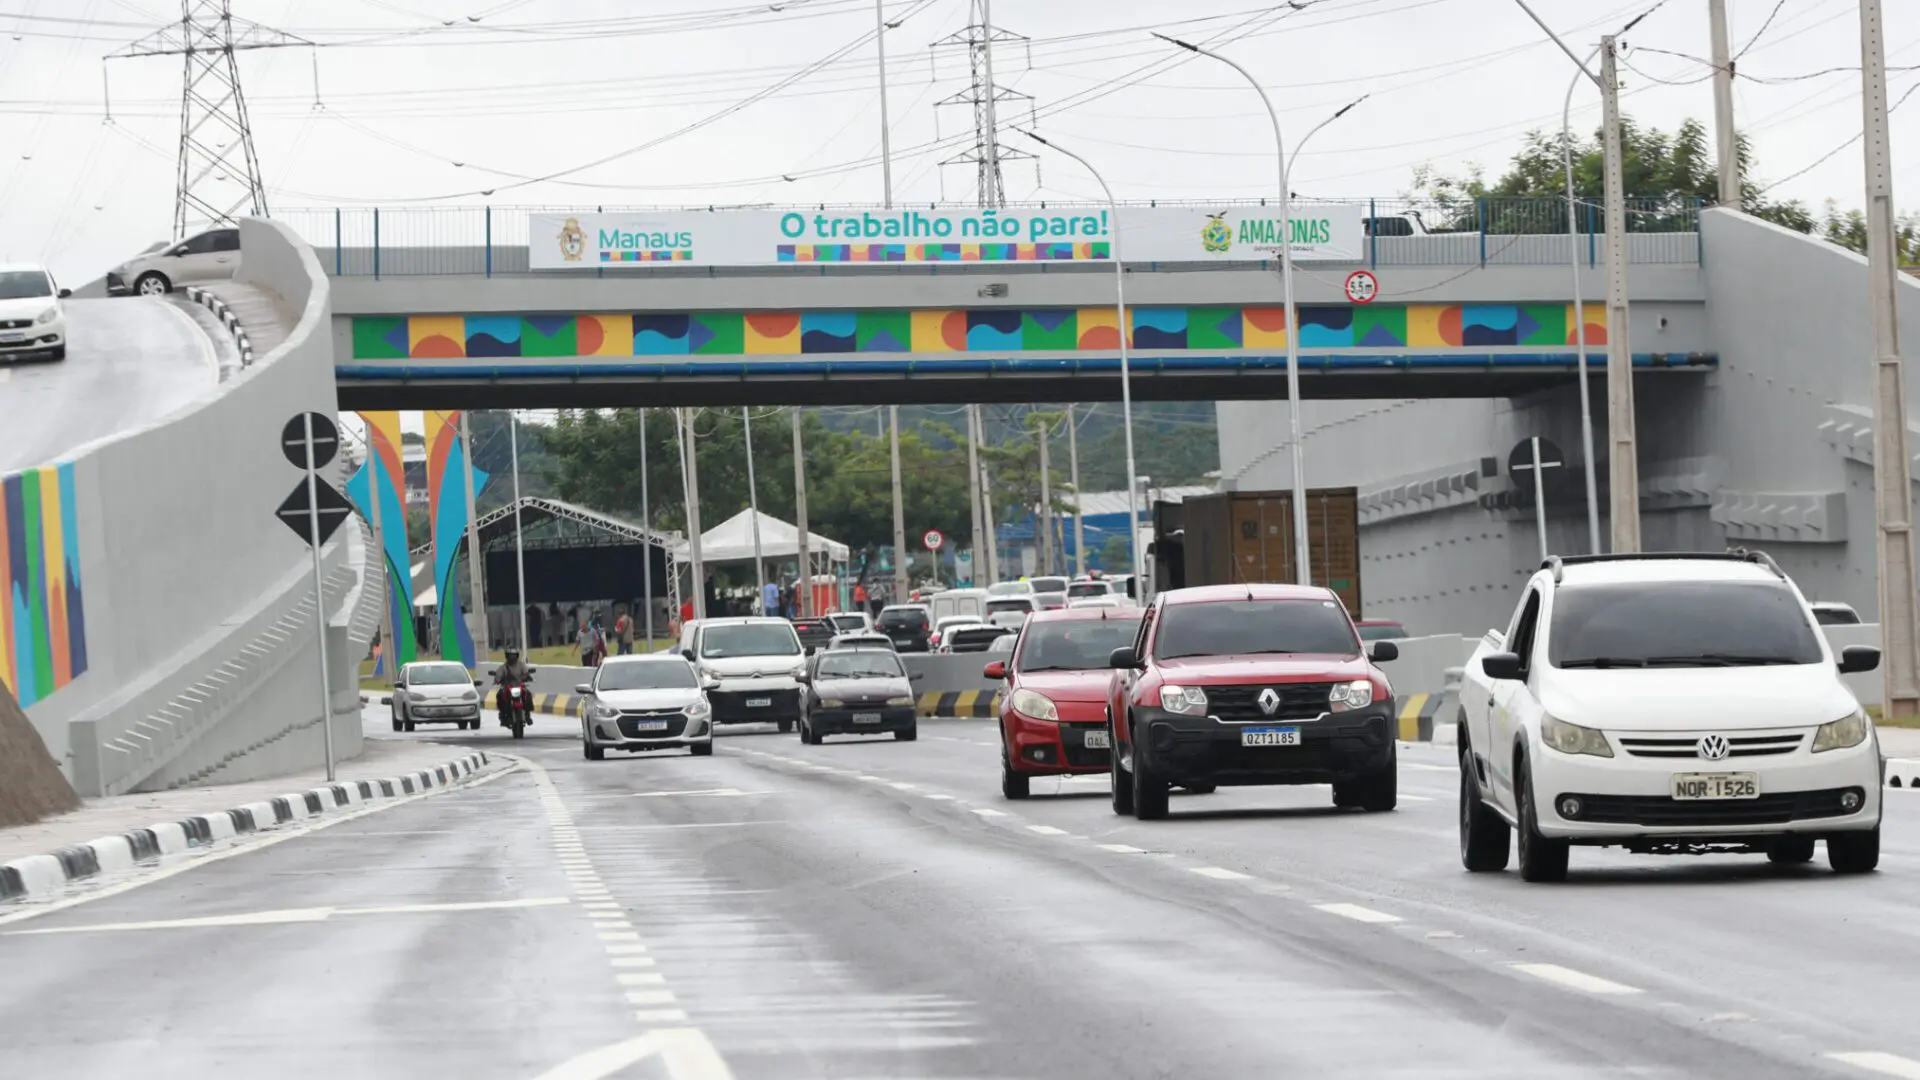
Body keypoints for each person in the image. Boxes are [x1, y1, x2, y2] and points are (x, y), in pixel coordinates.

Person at [493, 646, 533, 728]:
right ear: (507, 656)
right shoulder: (504, 667)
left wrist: (528, 677)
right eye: (510, 655)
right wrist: (497, 679)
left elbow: (526, 673)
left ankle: (527, 714)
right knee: (500, 695)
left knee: (528, 694)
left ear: (517, 655)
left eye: (514, 655)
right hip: (508, 686)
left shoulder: (521, 665)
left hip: (519, 685)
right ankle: (503, 715)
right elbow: (498, 675)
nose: (512, 657)